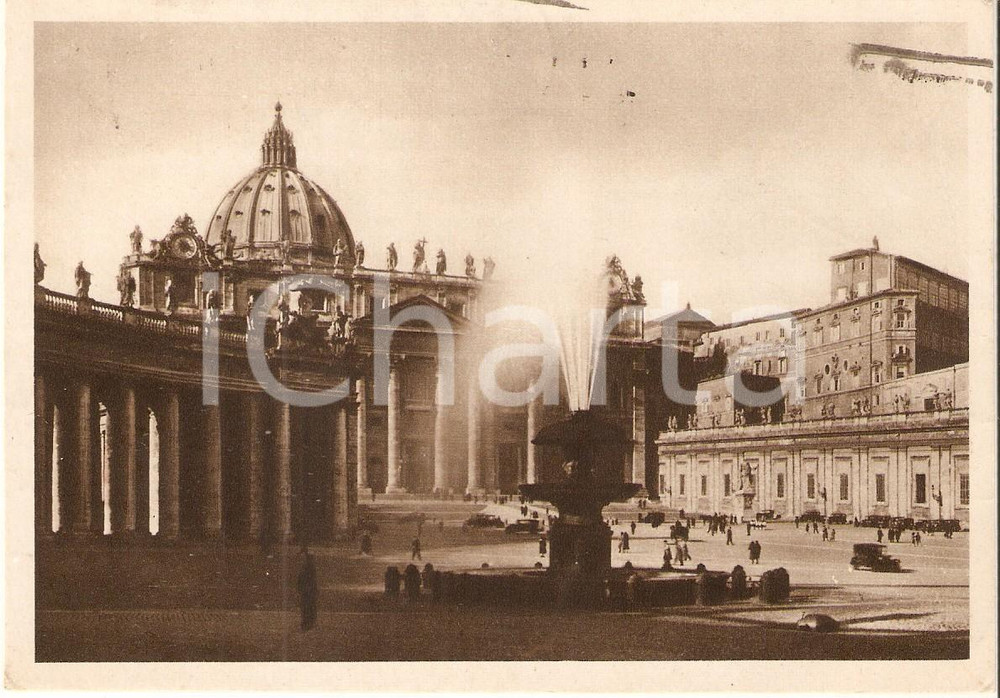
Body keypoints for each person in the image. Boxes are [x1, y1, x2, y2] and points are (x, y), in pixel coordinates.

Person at [296, 549, 318, 631]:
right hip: (309, 590)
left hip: (306, 590)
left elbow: (300, 579)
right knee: (309, 607)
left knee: (306, 607)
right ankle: (309, 622)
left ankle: (307, 622)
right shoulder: (310, 568)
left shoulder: (305, 568)